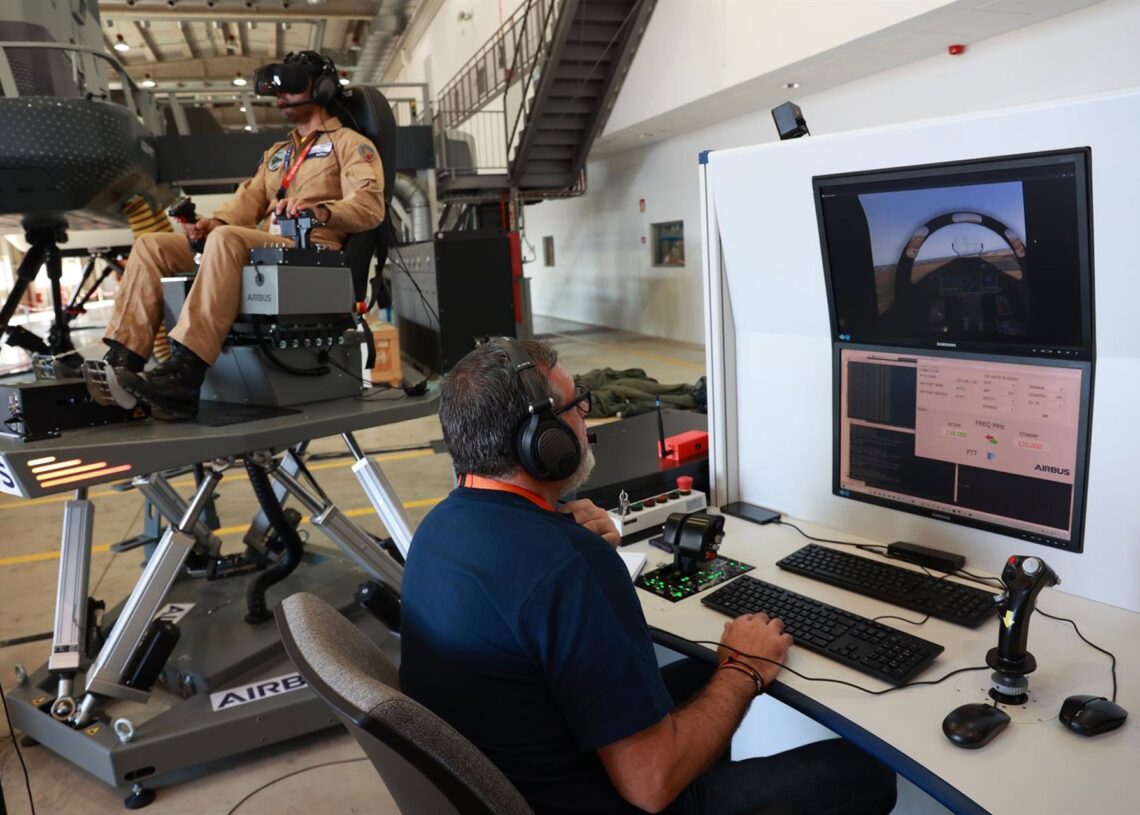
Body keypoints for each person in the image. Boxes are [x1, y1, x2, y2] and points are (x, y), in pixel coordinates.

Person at [399, 338, 897, 815]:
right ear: (543, 442)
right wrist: (743, 667)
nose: (585, 418)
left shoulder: (438, 530)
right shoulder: (568, 565)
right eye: (579, 405)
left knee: (703, 672)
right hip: (623, 798)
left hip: (534, 777)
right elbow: (650, 784)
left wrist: (561, 532)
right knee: (868, 772)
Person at [89, 51, 384, 419]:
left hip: (308, 251)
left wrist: (323, 210)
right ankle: (122, 364)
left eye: (291, 89)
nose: (280, 99)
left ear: (322, 89)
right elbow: (243, 208)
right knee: (152, 245)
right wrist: (210, 224)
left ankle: (185, 373)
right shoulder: (279, 154)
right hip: (261, 250)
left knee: (227, 240)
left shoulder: (350, 145)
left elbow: (371, 209)